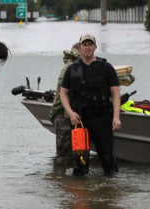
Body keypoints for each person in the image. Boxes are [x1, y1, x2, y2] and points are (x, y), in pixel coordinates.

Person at [60, 34, 121, 176]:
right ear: (79, 48)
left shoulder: (106, 67)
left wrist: (116, 117)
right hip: (79, 121)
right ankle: (81, 194)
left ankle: (111, 192)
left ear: (95, 47)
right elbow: (63, 93)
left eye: (90, 45)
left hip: (103, 119)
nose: (87, 48)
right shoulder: (72, 69)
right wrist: (70, 113)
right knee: (80, 163)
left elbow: (116, 93)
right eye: (84, 45)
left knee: (108, 161)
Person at [49, 43, 80, 165]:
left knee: (73, 152)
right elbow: (64, 93)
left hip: (68, 113)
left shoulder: (73, 65)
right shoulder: (71, 67)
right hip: (62, 114)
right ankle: (60, 180)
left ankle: (64, 181)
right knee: (64, 154)